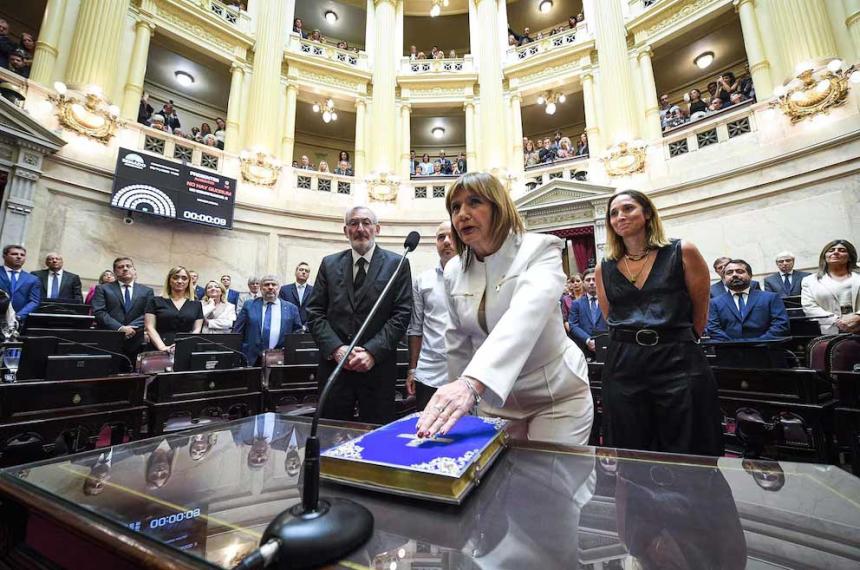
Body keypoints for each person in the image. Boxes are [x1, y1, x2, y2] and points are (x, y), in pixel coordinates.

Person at [416, 173, 592, 444]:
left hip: (556, 395)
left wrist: (469, 384)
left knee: (552, 484)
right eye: (455, 207)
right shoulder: (453, 270)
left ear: (498, 207)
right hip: (495, 400)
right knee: (498, 481)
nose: (462, 214)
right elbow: (457, 342)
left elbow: (524, 317)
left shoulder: (541, 249)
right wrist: (456, 400)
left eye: (474, 202)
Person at [594, 190, 723, 456]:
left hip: (677, 358)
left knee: (690, 443)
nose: (620, 217)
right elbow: (610, 317)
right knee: (631, 447)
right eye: (613, 213)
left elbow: (700, 313)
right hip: (623, 364)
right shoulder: (604, 266)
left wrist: (674, 339)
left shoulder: (682, 251)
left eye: (628, 209)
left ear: (648, 213)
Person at [306, 205, 412, 424]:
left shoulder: (398, 264)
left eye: (366, 223)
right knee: (329, 433)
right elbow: (315, 312)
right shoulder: (329, 263)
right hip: (335, 368)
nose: (360, 229)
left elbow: (401, 315)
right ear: (346, 231)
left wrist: (372, 352)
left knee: (376, 440)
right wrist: (337, 349)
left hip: (378, 369)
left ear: (377, 229)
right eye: (354, 223)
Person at [407, 221, 456, 411]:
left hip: (463, 372)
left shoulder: (476, 275)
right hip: (428, 372)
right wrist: (412, 369)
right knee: (425, 430)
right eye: (441, 237)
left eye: (452, 236)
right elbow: (416, 327)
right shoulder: (423, 280)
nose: (446, 241)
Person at [706, 259, 790, 341]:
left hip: (765, 350)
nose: (734, 275)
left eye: (739, 271)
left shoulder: (771, 298)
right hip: (729, 351)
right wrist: (735, 345)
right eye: (729, 273)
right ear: (724, 278)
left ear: (750, 275)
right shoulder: (714, 303)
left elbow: (781, 324)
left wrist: (759, 342)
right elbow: (713, 329)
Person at [92, 257, 155, 359]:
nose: (125, 269)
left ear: (134, 270)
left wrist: (130, 328)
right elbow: (99, 312)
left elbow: (149, 314)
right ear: (115, 272)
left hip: (136, 341)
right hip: (109, 339)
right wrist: (120, 328)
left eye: (128, 266)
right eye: (120, 267)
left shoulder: (147, 291)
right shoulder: (103, 289)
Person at [234, 274, 302, 366]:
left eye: (274, 284)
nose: (270, 287)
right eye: (266, 285)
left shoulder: (291, 308)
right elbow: (237, 332)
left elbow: (297, 333)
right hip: (252, 358)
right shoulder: (249, 305)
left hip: (281, 358)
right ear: (261, 288)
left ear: (279, 288)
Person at [801, 239, 860, 334]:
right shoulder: (810, 281)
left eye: (842, 250)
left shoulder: (858, 277)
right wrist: (838, 321)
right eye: (831, 250)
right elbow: (809, 307)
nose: (836, 252)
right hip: (830, 331)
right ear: (825, 256)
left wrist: (857, 317)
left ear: (849, 257)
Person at [144, 266, 204, 352]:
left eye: (184, 278)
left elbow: (197, 329)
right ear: (169, 280)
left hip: (186, 348)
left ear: (189, 282)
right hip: (158, 346)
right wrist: (162, 347)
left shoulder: (196, 304)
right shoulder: (154, 301)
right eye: (175, 277)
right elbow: (149, 327)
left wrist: (184, 345)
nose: (180, 281)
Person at [568, 269, 609, 358]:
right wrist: (587, 340)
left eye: (594, 279)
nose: (591, 283)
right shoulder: (576, 304)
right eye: (588, 280)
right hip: (584, 348)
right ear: (583, 283)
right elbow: (573, 325)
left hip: (606, 347)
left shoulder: (608, 302)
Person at [0, 244, 40, 321]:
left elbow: (34, 301)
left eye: (22, 255)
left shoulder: (32, 279)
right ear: (4, 256)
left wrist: (18, 316)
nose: (19, 257)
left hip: (18, 321)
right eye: (14, 254)